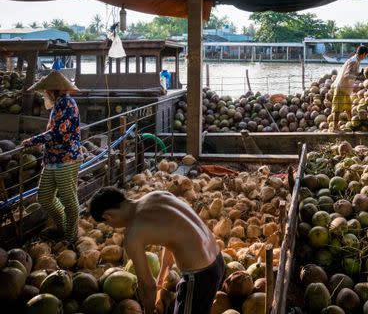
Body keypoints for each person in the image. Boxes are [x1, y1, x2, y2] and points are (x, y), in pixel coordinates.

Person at [89, 187, 224, 314]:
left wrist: (148, 311)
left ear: (108, 216)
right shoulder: (157, 195)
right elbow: (171, 236)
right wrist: (161, 278)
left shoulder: (133, 234)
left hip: (199, 277)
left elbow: (147, 285)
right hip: (218, 260)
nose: (111, 226)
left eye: (107, 223)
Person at [21, 70, 82, 243]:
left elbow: (58, 132)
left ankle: (70, 238)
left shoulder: (67, 103)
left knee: (69, 201)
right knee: (45, 197)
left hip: (67, 159)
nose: (44, 94)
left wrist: (33, 140)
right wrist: (42, 142)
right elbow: (55, 132)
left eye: (46, 91)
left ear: (53, 90)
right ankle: (62, 226)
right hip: (52, 159)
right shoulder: (58, 104)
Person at [330, 45, 368, 130]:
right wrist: (357, 76)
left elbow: (352, 73)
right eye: (366, 55)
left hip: (346, 87)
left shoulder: (356, 60)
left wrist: (359, 74)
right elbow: (347, 74)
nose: (366, 57)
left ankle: (352, 124)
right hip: (341, 86)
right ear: (363, 54)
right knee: (337, 108)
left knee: (348, 106)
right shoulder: (354, 61)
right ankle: (335, 128)